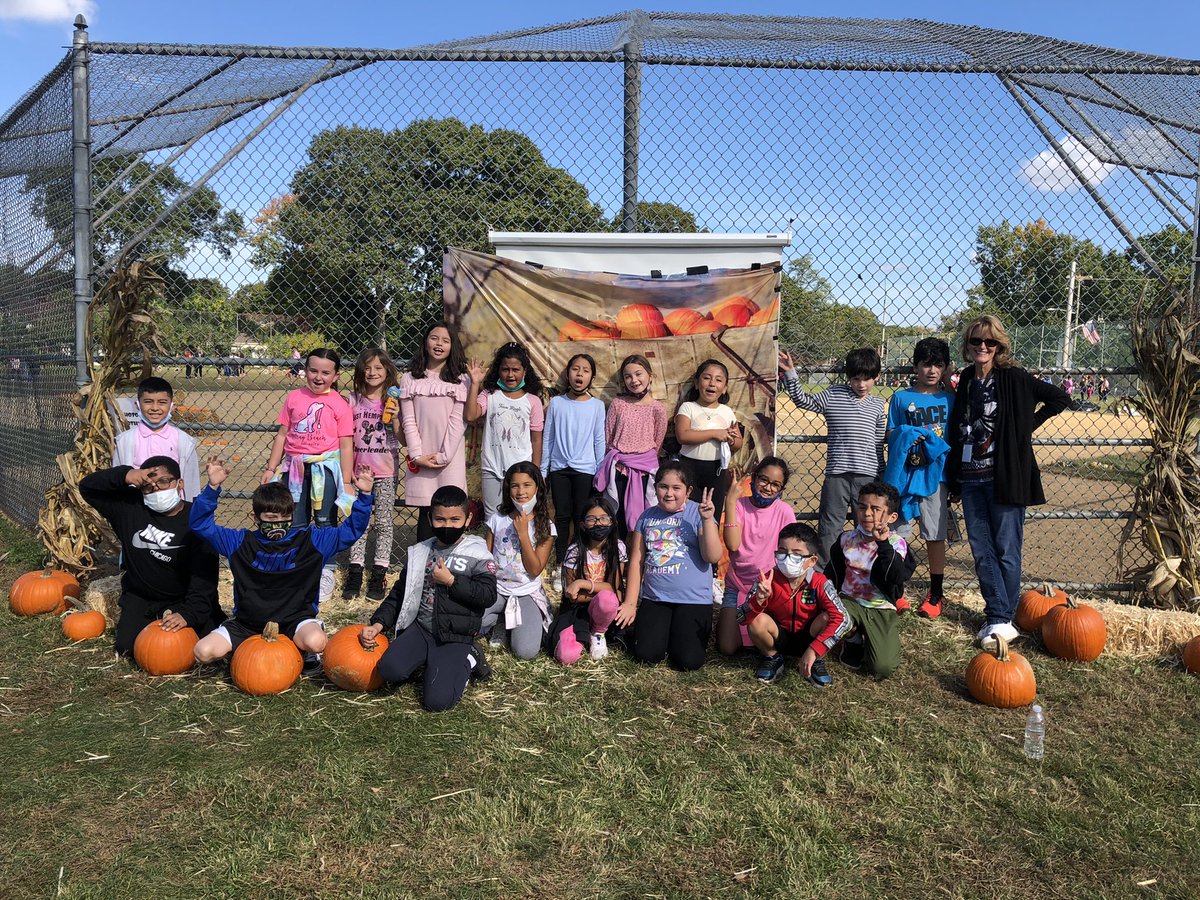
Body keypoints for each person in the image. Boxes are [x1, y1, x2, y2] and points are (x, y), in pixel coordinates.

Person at [946, 315, 1071, 649]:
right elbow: (962, 426)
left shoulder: (1014, 377)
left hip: (1004, 478)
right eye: (976, 341)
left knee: (1006, 550)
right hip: (972, 478)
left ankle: (999, 617)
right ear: (968, 345)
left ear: (999, 345)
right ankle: (1001, 617)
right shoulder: (968, 378)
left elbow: (1059, 398)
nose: (983, 347)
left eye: (990, 342)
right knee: (981, 550)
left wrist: (1025, 427)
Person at [191, 457, 375, 669]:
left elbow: (350, 531)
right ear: (255, 517)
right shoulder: (239, 542)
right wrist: (212, 488)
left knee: (317, 642)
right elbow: (200, 526)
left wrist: (365, 496)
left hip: (295, 621)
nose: (278, 523)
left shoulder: (311, 540)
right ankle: (246, 651)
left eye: (285, 516)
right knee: (203, 652)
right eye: (271, 517)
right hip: (248, 624)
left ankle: (303, 649)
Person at [359, 485, 496, 712]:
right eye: (440, 519)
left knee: (437, 702)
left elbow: (487, 595)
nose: (447, 526)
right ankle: (430, 660)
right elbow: (400, 593)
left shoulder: (478, 554)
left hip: (454, 634)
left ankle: (469, 659)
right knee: (389, 671)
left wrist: (452, 581)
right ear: (431, 518)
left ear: (468, 518)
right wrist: (378, 623)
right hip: (422, 628)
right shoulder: (420, 551)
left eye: (455, 519)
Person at [79, 457, 223, 657]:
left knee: (205, 646)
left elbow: (205, 576)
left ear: (179, 484)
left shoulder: (197, 519)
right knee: (128, 647)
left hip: (184, 597)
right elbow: (88, 487)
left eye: (164, 481)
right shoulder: (129, 509)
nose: (156, 489)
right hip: (142, 597)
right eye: (148, 486)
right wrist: (126, 475)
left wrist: (188, 614)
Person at [261, 348, 355, 602]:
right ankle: (297, 568)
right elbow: (282, 434)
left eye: (326, 372)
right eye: (313, 370)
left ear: (335, 375)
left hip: (325, 469)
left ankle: (326, 570)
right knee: (295, 521)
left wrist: (346, 481)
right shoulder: (294, 397)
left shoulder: (340, 404)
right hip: (294, 470)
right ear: (305, 370)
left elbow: (346, 444)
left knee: (325, 521)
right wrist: (271, 468)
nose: (318, 377)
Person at [778, 347, 886, 567]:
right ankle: (824, 575)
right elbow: (802, 400)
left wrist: (881, 476)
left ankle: (864, 573)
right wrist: (790, 373)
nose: (861, 385)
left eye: (867, 379)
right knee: (829, 527)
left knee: (867, 525)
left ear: (877, 377)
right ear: (849, 377)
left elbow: (878, 443)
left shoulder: (877, 406)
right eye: (856, 379)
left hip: (868, 477)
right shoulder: (834, 394)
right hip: (837, 474)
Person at [617, 460, 723, 671]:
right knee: (646, 655)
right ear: (655, 488)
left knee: (688, 661)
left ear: (688, 490)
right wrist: (630, 603)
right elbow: (637, 561)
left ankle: (676, 636)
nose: (669, 493)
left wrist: (707, 520)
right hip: (656, 598)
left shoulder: (698, 512)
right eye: (663, 486)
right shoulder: (647, 517)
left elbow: (712, 556)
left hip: (693, 600)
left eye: (677, 488)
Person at [883, 337, 955, 618]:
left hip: (936, 477)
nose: (932, 370)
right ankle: (896, 590)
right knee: (897, 533)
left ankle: (936, 594)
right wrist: (910, 436)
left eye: (938, 364)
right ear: (916, 366)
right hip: (905, 477)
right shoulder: (901, 398)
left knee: (935, 535)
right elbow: (890, 434)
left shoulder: (950, 399)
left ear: (945, 367)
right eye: (926, 364)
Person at [742, 522, 849, 686]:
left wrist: (816, 649)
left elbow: (843, 619)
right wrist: (758, 601)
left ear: (812, 560)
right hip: (779, 636)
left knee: (828, 618)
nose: (788, 559)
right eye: (783, 552)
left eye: (796, 554)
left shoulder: (820, 582)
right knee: (757, 620)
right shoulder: (767, 579)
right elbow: (741, 618)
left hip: (810, 637)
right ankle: (773, 657)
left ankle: (815, 660)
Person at [827, 481, 914, 679]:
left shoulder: (896, 544)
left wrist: (883, 545)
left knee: (883, 668)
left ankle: (875, 638)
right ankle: (853, 639)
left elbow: (895, 576)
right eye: (862, 506)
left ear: (892, 517)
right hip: (849, 601)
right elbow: (831, 574)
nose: (867, 513)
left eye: (876, 509)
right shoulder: (846, 539)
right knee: (828, 614)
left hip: (880, 606)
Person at [717, 456, 796, 656]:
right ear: (754, 478)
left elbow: (790, 553)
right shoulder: (739, 505)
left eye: (775, 485)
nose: (768, 487)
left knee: (766, 637)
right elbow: (733, 545)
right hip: (737, 584)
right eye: (764, 480)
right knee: (727, 647)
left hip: (769, 588)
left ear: (781, 490)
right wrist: (731, 500)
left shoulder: (785, 512)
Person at [398, 321, 470, 541]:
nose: (439, 344)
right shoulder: (410, 378)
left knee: (452, 513)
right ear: (425, 342)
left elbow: (459, 421)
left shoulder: (461, 379)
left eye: (445, 340)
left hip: (449, 457)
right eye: (434, 338)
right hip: (422, 457)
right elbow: (408, 419)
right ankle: (422, 572)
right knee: (426, 516)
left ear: (452, 346)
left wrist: (443, 456)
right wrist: (417, 456)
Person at [343, 347, 403, 602]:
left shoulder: (393, 401)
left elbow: (402, 438)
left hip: (386, 471)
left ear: (388, 371)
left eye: (378, 368)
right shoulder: (352, 400)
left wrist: (396, 418)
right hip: (359, 473)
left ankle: (379, 572)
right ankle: (355, 570)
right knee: (359, 521)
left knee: (383, 523)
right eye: (367, 368)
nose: (372, 372)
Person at [541, 353, 607, 583]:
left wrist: (601, 471)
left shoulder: (597, 406)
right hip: (559, 469)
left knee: (582, 517)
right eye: (575, 369)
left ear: (592, 377)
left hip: (586, 471)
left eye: (585, 370)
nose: (580, 374)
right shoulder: (557, 404)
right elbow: (548, 438)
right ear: (568, 373)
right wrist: (543, 471)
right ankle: (561, 566)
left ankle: (580, 565)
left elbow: (599, 440)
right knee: (561, 516)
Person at [480, 462, 555, 660]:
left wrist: (523, 534)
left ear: (537, 487)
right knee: (470, 622)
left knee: (525, 651)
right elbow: (485, 557)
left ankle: (512, 622)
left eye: (527, 485)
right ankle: (501, 622)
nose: (521, 491)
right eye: (515, 486)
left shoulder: (546, 526)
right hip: (497, 589)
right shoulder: (497, 519)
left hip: (525, 592)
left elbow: (534, 569)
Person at [466, 341, 546, 520]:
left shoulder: (532, 401)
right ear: (498, 371)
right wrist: (474, 384)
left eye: (515, 370)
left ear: (524, 370)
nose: (510, 375)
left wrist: (536, 471)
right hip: (492, 469)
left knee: (520, 518)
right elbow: (471, 416)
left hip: (521, 471)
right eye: (505, 369)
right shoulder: (489, 395)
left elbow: (536, 439)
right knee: (493, 519)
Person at [594, 354, 667, 537]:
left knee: (644, 516)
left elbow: (657, 441)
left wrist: (641, 460)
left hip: (645, 471)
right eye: (628, 376)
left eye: (638, 374)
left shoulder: (657, 408)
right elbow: (608, 436)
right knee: (616, 515)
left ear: (650, 375)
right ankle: (617, 557)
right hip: (618, 469)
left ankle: (639, 559)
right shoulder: (618, 404)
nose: (634, 380)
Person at [550, 495, 625, 665]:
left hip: (604, 607)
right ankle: (583, 633)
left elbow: (614, 587)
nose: (598, 523)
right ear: (583, 525)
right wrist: (604, 592)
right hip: (577, 610)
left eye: (604, 518)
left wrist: (582, 583)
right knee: (566, 656)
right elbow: (571, 595)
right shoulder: (575, 551)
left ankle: (598, 632)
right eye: (591, 519)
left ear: (612, 522)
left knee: (607, 601)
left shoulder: (618, 548)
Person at [112, 375, 202, 500]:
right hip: (136, 508)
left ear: (172, 406)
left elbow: (191, 485)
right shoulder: (125, 441)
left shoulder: (184, 441)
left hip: (172, 511)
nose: (155, 408)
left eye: (162, 402)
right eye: (148, 402)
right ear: (137, 405)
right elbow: (118, 479)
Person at [674, 358, 743, 517]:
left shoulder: (727, 412)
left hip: (716, 471)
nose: (712, 383)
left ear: (724, 388)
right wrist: (714, 433)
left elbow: (738, 443)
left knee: (713, 514)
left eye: (718, 380)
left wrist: (731, 440)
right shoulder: (688, 407)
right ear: (697, 384)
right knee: (688, 513)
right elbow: (682, 435)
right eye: (706, 378)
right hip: (689, 468)